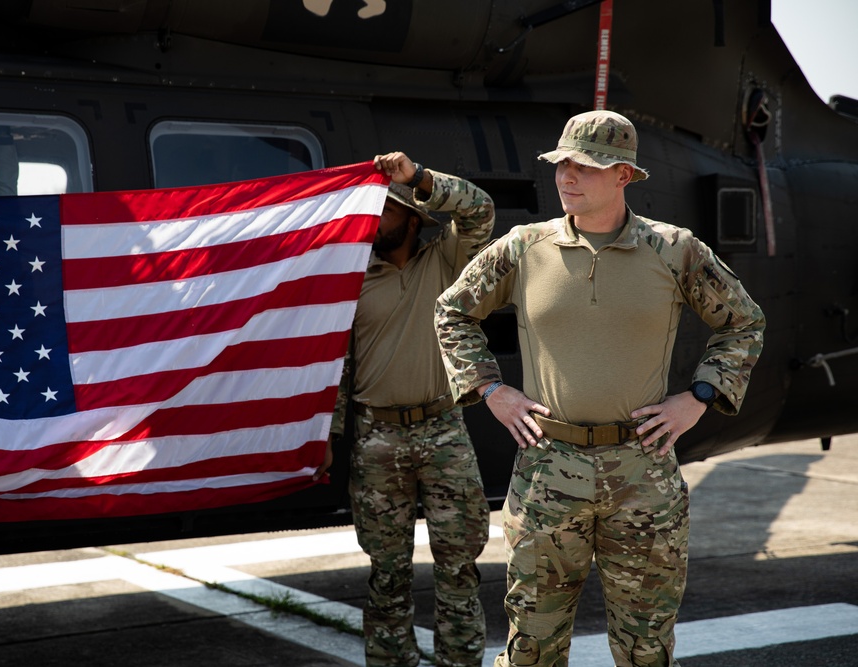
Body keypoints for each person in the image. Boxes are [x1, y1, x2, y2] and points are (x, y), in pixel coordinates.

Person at [434, 111, 765, 667]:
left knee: (646, 651)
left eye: (585, 166)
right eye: (562, 164)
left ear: (624, 176)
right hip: (547, 471)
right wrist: (491, 390)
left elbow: (743, 322)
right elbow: (452, 312)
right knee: (531, 651)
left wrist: (699, 396)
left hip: (642, 472)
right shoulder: (523, 248)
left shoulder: (673, 249)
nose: (567, 176)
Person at [319, 151, 496, 667]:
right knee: (387, 571)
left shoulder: (446, 259)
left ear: (413, 218)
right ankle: (392, 660)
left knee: (459, 567)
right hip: (376, 438)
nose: (376, 222)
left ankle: (458, 661)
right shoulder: (351, 276)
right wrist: (327, 438)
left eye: (387, 211)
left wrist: (417, 178)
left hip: (444, 429)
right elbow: (337, 366)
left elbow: (480, 211)